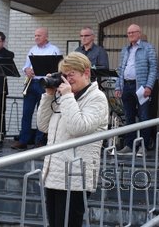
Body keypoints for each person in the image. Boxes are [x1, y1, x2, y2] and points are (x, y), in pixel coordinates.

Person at [37, 52, 108, 227]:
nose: (67, 80)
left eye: (71, 75)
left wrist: (67, 96)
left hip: (75, 176)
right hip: (53, 173)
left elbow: (79, 127)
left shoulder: (97, 98)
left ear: (86, 73)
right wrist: (48, 95)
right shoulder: (63, 97)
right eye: (64, 75)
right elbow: (43, 126)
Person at [11, 27, 61, 150]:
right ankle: (23, 141)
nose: (36, 38)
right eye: (35, 35)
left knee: (42, 113)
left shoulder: (54, 50)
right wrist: (26, 70)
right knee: (26, 113)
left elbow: (57, 69)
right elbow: (26, 67)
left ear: (46, 37)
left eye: (39, 35)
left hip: (45, 83)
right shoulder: (32, 50)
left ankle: (40, 141)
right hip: (32, 83)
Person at [115, 24, 158, 157]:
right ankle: (129, 145)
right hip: (126, 86)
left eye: (133, 32)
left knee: (144, 117)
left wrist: (149, 86)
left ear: (139, 33)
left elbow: (153, 68)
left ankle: (143, 146)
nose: (131, 35)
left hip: (141, 87)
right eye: (128, 33)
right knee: (128, 117)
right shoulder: (125, 50)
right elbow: (120, 69)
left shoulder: (148, 48)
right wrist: (118, 86)